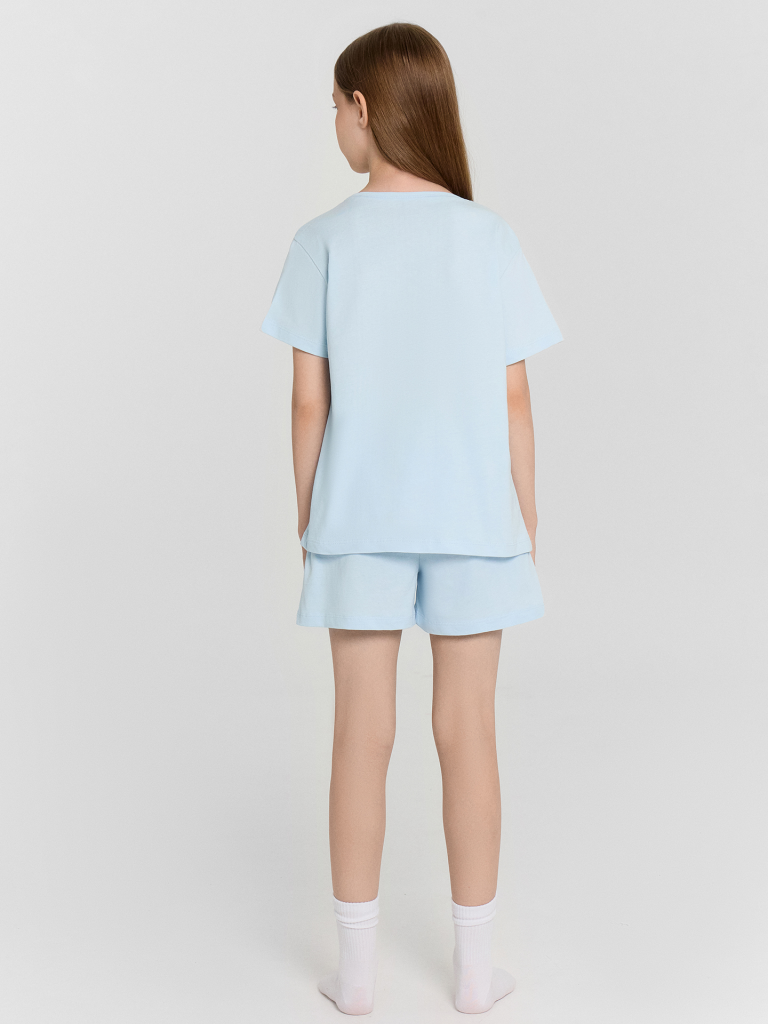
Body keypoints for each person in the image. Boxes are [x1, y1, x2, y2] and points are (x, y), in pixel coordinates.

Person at [260, 21, 563, 1016]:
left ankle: (355, 977)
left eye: (334, 108)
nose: (335, 125)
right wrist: (523, 515)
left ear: (362, 107)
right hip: (476, 519)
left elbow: (309, 403)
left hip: (357, 520)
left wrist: (312, 512)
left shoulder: (322, 241)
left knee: (362, 734)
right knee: (468, 732)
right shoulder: (489, 236)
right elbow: (515, 399)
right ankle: (475, 975)